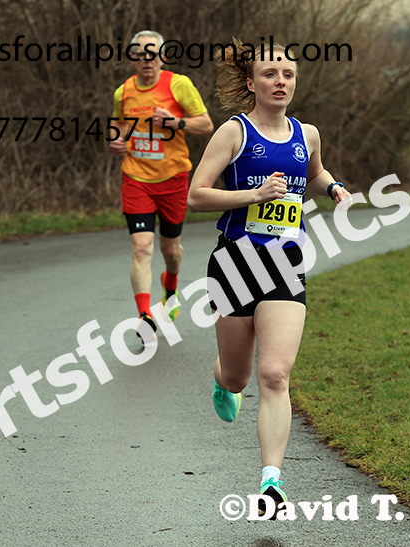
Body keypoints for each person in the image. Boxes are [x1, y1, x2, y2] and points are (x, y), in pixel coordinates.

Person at [186, 39, 350, 519]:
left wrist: (334, 187)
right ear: (252, 82)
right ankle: (221, 377)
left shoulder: (308, 134)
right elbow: (198, 195)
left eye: (289, 75)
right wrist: (253, 196)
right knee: (238, 377)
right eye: (270, 74)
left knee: (274, 374)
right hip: (236, 264)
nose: (281, 82)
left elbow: (313, 174)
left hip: (285, 263)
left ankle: (271, 483)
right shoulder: (233, 133)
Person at [109, 30, 214, 340]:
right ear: (132, 58)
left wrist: (175, 122)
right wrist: (117, 140)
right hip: (136, 179)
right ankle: (144, 316)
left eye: (152, 53)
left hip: (173, 180)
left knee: (170, 250)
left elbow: (206, 124)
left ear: (163, 57)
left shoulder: (178, 85)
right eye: (139, 54)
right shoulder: (123, 92)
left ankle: (171, 284)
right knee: (141, 247)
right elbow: (119, 125)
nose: (146, 60)